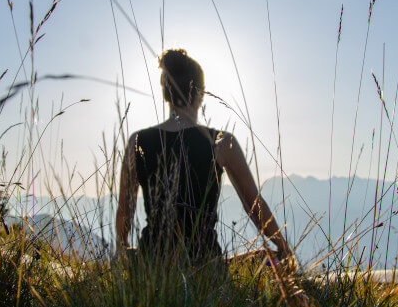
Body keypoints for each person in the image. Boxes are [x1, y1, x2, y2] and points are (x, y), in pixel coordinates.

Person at [116, 49, 292, 266]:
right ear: (200, 94)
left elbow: (126, 209)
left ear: (165, 93)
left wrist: (123, 250)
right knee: (272, 258)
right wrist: (284, 247)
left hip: (152, 265)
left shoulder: (137, 141)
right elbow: (254, 206)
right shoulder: (221, 142)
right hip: (205, 267)